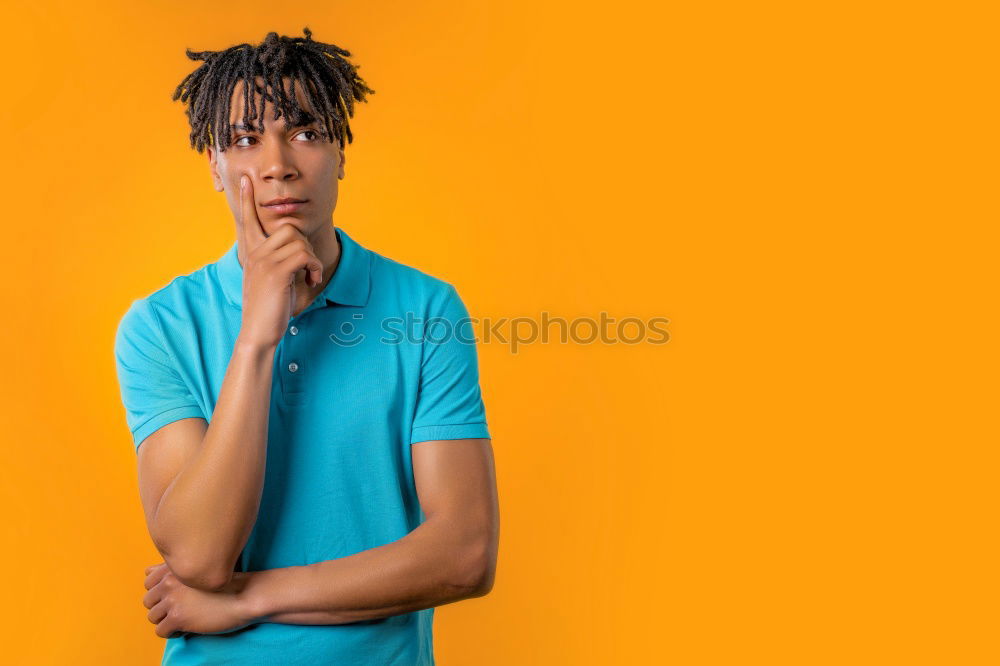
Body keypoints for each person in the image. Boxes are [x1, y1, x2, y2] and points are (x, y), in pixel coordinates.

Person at [113, 27, 499, 666]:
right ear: (215, 165)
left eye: (306, 132)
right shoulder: (159, 326)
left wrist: (245, 601)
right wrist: (257, 334)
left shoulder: (427, 311)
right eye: (244, 139)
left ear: (341, 153)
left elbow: (464, 555)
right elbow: (201, 556)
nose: (277, 164)